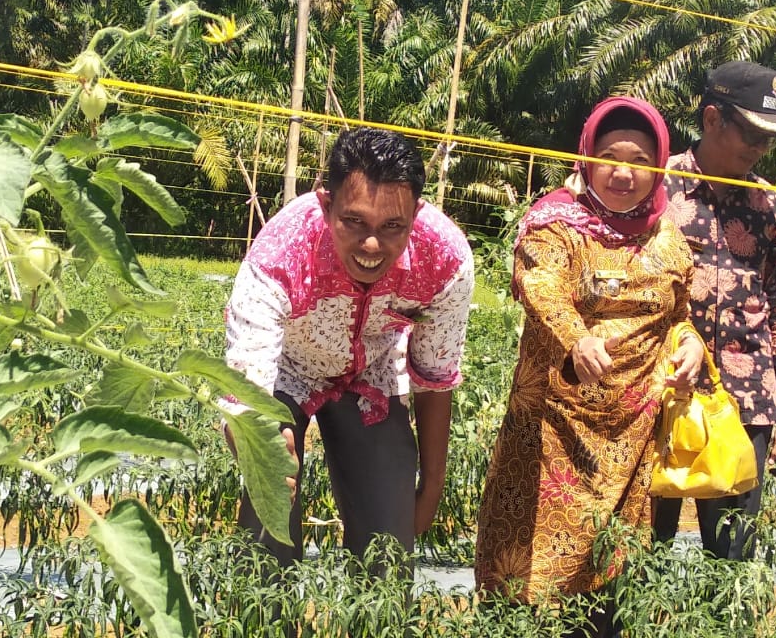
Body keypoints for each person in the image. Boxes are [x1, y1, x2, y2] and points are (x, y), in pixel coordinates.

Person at [475, 97, 703, 623]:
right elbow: (542, 286)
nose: (625, 173)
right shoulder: (556, 223)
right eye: (610, 157)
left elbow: (678, 311)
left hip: (634, 437)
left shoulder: (665, 234)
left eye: (641, 162)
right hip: (555, 431)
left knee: (613, 582)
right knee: (529, 585)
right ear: (587, 155)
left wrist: (691, 343)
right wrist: (577, 338)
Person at [223, 127, 474, 570]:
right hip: (286, 370)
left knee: (388, 547)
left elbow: (434, 375)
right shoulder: (280, 255)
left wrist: (432, 483)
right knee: (269, 513)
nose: (372, 245)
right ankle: (266, 608)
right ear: (326, 205)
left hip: (372, 372)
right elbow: (246, 387)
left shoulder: (446, 260)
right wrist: (263, 445)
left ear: (417, 213)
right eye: (353, 221)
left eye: (393, 226)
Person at [651, 60, 776, 560]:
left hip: (745, 405)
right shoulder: (655, 186)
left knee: (732, 563)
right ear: (712, 119)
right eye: (753, 132)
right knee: (636, 555)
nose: (762, 147)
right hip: (659, 395)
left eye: (771, 137)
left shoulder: (769, 207)